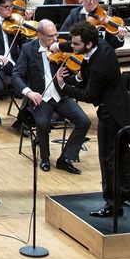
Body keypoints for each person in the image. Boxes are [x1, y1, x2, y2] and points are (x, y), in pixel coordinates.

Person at [54, 21, 130, 217]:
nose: (72, 48)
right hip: (123, 107)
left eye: (75, 45)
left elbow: (89, 96)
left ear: (88, 44)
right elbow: (72, 46)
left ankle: (112, 205)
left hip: (111, 113)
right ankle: (125, 192)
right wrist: (56, 45)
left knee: (107, 158)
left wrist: (64, 86)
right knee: (122, 153)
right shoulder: (103, 46)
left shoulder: (99, 65)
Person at [12, 19, 90, 174]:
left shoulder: (62, 47)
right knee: (42, 123)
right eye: (50, 37)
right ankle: (45, 157)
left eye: (56, 35)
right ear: (39, 35)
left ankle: (65, 158)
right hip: (40, 98)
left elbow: (74, 75)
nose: (55, 40)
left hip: (61, 95)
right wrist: (29, 92)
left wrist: (75, 77)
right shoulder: (28, 49)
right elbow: (16, 75)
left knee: (84, 121)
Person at [60, 0, 126, 49]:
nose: (91, 2)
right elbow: (63, 34)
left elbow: (111, 45)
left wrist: (120, 38)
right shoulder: (74, 13)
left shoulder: (104, 16)